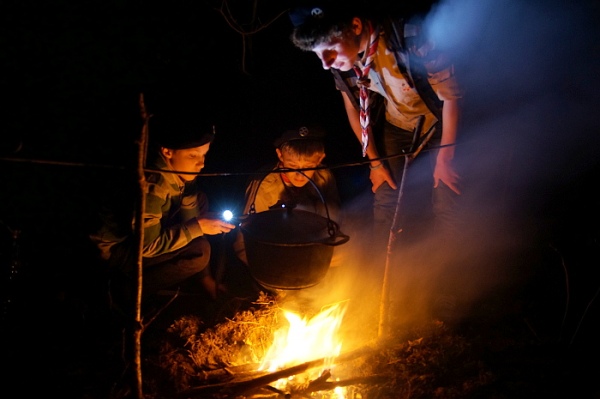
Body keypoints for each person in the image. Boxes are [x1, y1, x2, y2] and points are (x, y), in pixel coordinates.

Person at [288, 1, 465, 321]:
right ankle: (387, 287)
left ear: (356, 26)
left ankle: (447, 290)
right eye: (317, 55)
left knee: (446, 200)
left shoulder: (411, 37)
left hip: (438, 123)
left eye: (328, 49)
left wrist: (446, 158)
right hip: (396, 127)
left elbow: (450, 98)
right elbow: (355, 110)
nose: (326, 63)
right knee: (385, 203)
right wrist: (374, 162)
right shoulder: (348, 64)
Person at [89, 113, 236, 314]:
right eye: (193, 155)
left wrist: (206, 279)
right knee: (200, 251)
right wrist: (199, 226)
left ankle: (196, 280)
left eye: (204, 154)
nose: (201, 163)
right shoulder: (152, 183)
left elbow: (190, 217)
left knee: (200, 203)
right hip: (115, 250)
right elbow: (147, 246)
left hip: (144, 235)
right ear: (167, 151)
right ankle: (124, 294)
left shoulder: (184, 174)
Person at [233, 125, 342, 267]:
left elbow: (336, 218)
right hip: (274, 248)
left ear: (320, 158)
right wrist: (264, 269)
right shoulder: (265, 185)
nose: (300, 175)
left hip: (311, 247)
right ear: (280, 155)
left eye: (308, 166)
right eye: (292, 166)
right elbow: (245, 237)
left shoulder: (323, 176)